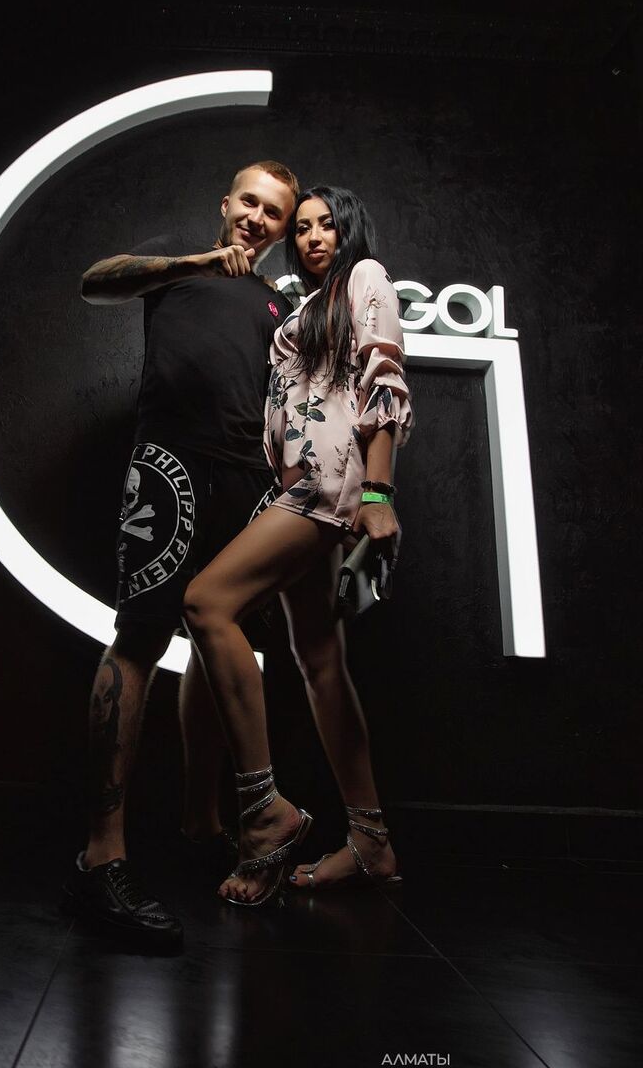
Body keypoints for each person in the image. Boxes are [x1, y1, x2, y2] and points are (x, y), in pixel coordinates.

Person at [61, 161, 300, 947]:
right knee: (139, 636)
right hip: (171, 462)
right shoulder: (176, 265)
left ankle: (202, 824)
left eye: (274, 212)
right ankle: (101, 859)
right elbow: (96, 282)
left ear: (282, 228)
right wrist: (197, 261)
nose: (257, 217)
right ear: (226, 204)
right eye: (249, 202)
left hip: (249, 479)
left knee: (222, 636)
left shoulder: (278, 303)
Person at [183, 185, 413, 905]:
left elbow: (383, 379)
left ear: (350, 230)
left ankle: (265, 813)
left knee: (207, 603)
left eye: (327, 225)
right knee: (319, 662)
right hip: (295, 483)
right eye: (303, 227)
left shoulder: (364, 278)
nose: (313, 237)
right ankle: (372, 843)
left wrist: (378, 494)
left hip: (327, 484)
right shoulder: (306, 303)